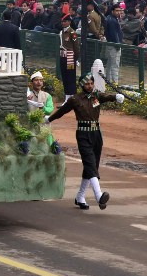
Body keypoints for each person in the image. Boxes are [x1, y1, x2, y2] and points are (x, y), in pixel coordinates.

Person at [46, 73, 124, 210]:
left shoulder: (96, 96)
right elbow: (62, 111)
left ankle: (80, 197)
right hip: (83, 134)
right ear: (82, 85)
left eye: (91, 83)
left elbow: (107, 96)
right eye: (87, 84)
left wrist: (116, 97)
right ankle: (99, 196)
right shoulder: (75, 99)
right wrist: (49, 120)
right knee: (89, 163)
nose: (89, 86)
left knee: (92, 166)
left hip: (96, 134)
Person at [59, 15, 80, 101]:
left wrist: (76, 58)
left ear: (69, 22)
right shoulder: (61, 32)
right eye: (62, 21)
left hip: (70, 57)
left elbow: (76, 47)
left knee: (70, 77)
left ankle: (72, 96)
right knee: (64, 76)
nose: (63, 23)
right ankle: (67, 97)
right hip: (62, 56)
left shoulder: (72, 33)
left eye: (65, 21)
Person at [103, 4, 124, 83]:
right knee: (115, 65)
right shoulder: (112, 20)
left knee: (109, 64)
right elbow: (114, 34)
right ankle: (115, 84)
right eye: (117, 11)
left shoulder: (111, 18)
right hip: (114, 45)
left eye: (120, 11)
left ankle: (108, 81)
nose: (119, 12)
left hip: (110, 44)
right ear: (112, 11)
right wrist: (118, 45)